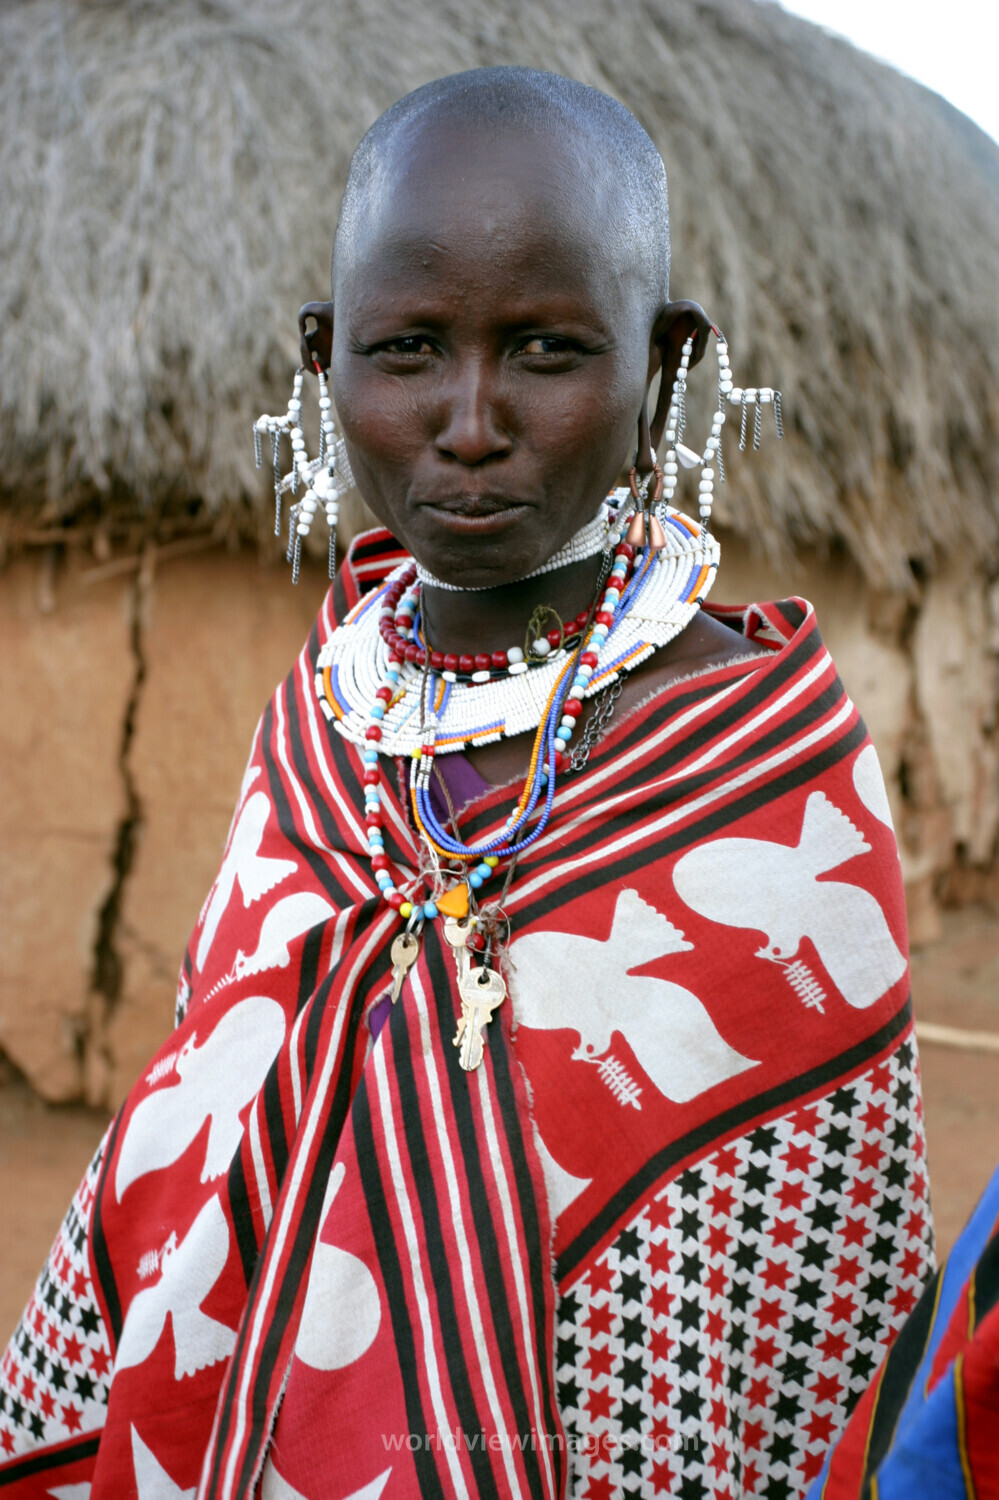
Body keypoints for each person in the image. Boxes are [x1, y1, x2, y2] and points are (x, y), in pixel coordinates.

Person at [0, 68, 932, 1500]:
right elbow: (199, 1125)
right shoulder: (323, 722)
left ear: (666, 363)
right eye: (409, 350)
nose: (472, 418)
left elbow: (801, 1283)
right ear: (326, 361)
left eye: (550, 349)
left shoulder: (767, 767)